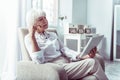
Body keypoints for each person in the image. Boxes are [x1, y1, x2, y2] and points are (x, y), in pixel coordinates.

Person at [24, 9, 108, 80]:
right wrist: (32, 37)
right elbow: (39, 60)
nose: (45, 20)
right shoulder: (29, 39)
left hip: (68, 63)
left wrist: (83, 56)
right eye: (40, 19)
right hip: (57, 68)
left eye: (45, 17)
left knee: (93, 60)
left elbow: (65, 49)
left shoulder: (52, 35)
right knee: (92, 63)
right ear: (33, 24)